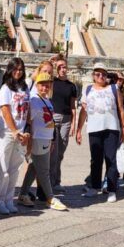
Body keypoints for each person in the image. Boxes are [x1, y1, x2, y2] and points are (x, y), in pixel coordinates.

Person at [76, 61, 124, 203]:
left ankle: (111, 189)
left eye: (103, 74)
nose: (101, 76)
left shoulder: (113, 88)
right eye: (98, 74)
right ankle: (94, 187)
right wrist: (79, 130)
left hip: (111, 128)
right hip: (94, 128)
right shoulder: (88, 89)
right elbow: (83, 111)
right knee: (95, 159)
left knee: (111, 159)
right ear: (93, 76)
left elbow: (121, 109)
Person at [18, 73, 68, 211]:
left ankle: (23, 194)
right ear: (37, 85)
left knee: (34, 168)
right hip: (38, 138)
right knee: (44, 171)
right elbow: (29, 121)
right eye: (42, 85)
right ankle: (50, 198)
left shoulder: (46, 100)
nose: (45, 88)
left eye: (48, 85)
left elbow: (49, 121)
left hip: (46, 138)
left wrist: (52, 139)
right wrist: (29, 143)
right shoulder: (34, 100)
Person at [0, 57, 30, 215]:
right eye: (15, 69)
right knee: (1, 167)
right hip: (7, 132)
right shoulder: (6, 88)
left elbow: (27, 110)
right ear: (10, 70)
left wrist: (25, 130)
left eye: (20, 69)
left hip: (21, 133)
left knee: (15, 167)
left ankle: (7, 198)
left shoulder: (24, 88)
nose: (18, 72)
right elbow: (5, 110)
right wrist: (14, 130)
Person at [50, 58, 77, 196]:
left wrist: (74, 124)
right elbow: (37, 76)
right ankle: (51, 181)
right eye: (59, 67)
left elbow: (73, 107)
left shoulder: (71, 86)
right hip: (53, 117)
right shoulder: (51, 82)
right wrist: (49, 61)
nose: (62, 69)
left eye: (64, 67)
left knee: (60, 152)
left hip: (66, 119)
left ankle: (56, 181)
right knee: (53, 152)